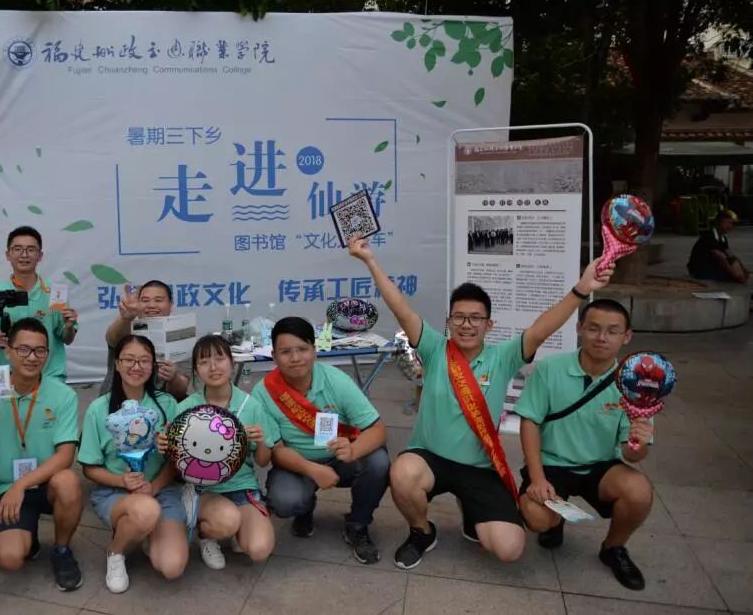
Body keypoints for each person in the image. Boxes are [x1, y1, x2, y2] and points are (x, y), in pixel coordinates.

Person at [348, 235, 614, 570]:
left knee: (509, 548)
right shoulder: (434, 348)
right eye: (459, 317)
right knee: (402, 473)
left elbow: (540, 329)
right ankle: (422, 532)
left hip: (479, 467)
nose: (467, 325)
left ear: (489, 325)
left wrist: (581, 289)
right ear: (448, 322)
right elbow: (400, 308)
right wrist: (370, 261)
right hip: (430, 459)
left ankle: (472, 512)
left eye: (476, 318)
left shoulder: (503, 357)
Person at [516, 299, 654, 590]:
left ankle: (613, 548)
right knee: (537, 517)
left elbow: (632, 455)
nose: (601, 337)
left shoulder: (635, 385)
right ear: (579, 329)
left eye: (612, 331)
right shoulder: (550, 368)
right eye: (593, 328)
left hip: (600, 466)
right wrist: (537, 478)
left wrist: (638, 441)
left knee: (639, 491)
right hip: (551, 463)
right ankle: (555, 522)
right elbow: (529, 422)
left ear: (627, 336)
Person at [251, 317, 390, 565]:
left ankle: (358, 524)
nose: (295, 358)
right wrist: (313, 470)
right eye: (286, 352)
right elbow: (276, 450)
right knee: (284, 501)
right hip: (297, 463)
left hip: (341, 458)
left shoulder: (336, 380)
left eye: (302, 349)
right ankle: (304, 508)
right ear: (273, 356)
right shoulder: (264, 392)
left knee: (378, 462)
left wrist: (353, 450)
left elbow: (377, 430)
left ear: (314, 351)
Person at [0, 317, 84, 591]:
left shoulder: (63, 395)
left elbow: (66, 455)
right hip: (5, 486)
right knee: (10, 559)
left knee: (68, 481)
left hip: (46, 483)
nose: (32, 357)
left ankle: (61, 549)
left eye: (39, 350)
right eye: (23, 349)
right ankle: (26, 537)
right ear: (8, 351)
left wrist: (21, 485)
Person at [79, 335, 187, 593]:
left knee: (171, 566)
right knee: (145, 511)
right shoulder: (99, 409)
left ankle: (146, 531)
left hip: (161, 490)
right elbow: (89, 468)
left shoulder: (167, 404)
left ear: (153, 366)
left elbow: (175, 463)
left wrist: (155, 486)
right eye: (128, 359)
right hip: (115, 492)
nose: (136, 367)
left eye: (144, 361)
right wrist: (122, 480)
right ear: (117, 364)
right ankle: (116, 552)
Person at [168, 335, 277, 570]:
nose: (213, 367)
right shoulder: (186, 408)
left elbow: (263, 461)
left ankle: (237, 528)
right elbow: (175, 463)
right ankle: (207, 535)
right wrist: (166, 444)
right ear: (196, 370)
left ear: (232, 362)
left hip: (242, 486)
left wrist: (261, 442)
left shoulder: (251, 405)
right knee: (226, 521)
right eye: (204, 361)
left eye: (219, 359)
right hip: (203, 489)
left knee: (259, 549)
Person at [0, 226, 79, 380]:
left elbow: (67, 339)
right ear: (8, 255)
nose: (24, 255)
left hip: (50, 375)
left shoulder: (55, 292)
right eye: (18, 249)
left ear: (40, 256)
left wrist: (69, 326)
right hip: (10, 377)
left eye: (31, 249)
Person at [101, 280, 190, 399]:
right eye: (145, 300)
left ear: (171, 304)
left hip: (163, 404)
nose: (151, 305)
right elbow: (112, 339)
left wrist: (173, 378)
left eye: (158, 300)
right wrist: (126, 318)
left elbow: (181, 390)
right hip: (119, 401)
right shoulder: (126, 328)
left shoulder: (182, 336)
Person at [687, 209, 749, 284]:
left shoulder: (723, 238)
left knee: (732, 261)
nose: (730, 226)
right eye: (727, 223)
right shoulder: (709, 236)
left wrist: (744, 270)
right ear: (718, 223)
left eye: (731, 223)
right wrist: (733, 276)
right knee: (726, 275)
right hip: (699, 269)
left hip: (711, 265)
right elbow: (720, 257)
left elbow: (730, 255)